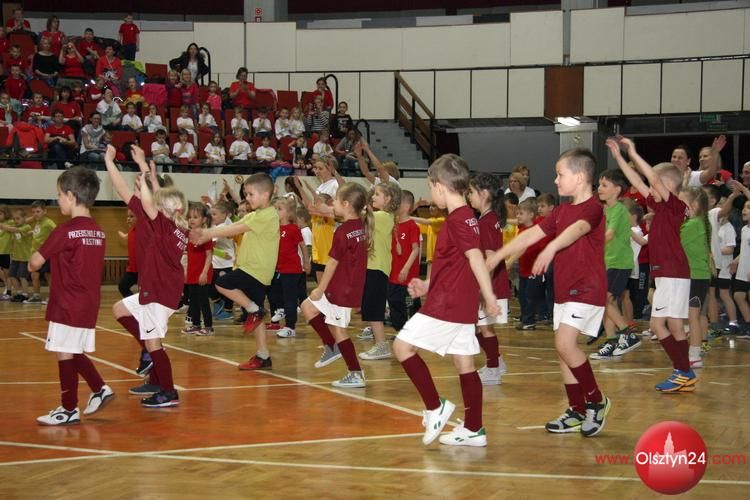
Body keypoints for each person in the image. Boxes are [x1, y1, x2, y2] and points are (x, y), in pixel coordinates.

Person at [489, 148, 611, 437]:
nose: (555, 180)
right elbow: (532, 234)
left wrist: (552, 247)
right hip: (565, 289)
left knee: (565, 344)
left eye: (560, 174)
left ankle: (597, 401)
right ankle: (576, 410)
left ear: (579, 177)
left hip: (587, 287)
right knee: (562, 350)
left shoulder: (593, 207)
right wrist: (498, 257)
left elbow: (578, 229)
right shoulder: (561, 211)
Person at [393, 154, 498, 447]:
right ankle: (474, 428)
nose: (430, 194)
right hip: (458, 300)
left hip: (448, 304)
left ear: (440, 186)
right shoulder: (467, 217)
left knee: (402, 347)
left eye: (430, 187)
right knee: (464, 362)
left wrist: (489, 295)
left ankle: (434, 406)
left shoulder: (459, 219)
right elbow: (456, 264)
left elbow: (475, 258)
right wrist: (428, 284)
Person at [608, 136, 697, 393]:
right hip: (670, 273)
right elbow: (637, 181)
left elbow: (653, 180)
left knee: (658, 325)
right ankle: (684, 372)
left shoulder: (674, 206)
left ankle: (683, 371)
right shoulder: (661, 207)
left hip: (672, 272)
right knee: (675, 325)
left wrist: (634, 152)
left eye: (654, 183)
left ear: (667, 185)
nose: (648, 187)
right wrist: (620, 158)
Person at [105, 144, 189, 407]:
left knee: (155, 345)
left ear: (173, 208)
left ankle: (168, 392)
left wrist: (139, 171)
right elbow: (132, 193)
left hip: (160, 294)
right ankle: (149, 356)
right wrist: (144, 173)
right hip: (158, 289)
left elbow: (147, 201)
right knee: (120, 309)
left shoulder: (166, 226)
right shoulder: (170, 225)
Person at [31, 166, 114, 425]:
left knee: (64, 352)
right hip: (88, 302)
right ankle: (99, 388)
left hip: (66, 302)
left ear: (70, 195)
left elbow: (34, 263)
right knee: (71, 348)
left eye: (59, 195)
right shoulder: (99, 232)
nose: (58, 200)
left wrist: (40, 257)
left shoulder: (64, 231)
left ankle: (68, 409)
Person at [190, 174, 279, 370]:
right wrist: (206, 233)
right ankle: (263, 355)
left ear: (265, 194)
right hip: (251, 269)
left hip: (255, 270)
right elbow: (234, 226)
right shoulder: (255, 214)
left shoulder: (267, 215)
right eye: (246, 194)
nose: (247, 197)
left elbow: (233, 230)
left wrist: (207, 233)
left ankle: (255, 310)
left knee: (222, 283)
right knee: (255, 314)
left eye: (251, 194)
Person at [300, 183, 370, 386]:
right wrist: (322, 209)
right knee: (307, 307)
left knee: (339, 329)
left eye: (336, 200)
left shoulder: (342, 231)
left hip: (342, 289)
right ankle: (331, 347)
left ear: (346, 204)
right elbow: (333, 212)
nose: (333, 204)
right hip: (342, 285)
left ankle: (355, 373)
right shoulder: (360, 226)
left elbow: (332, 262)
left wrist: (320, 288)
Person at [590, 169, 639, 360]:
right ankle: (611, 341)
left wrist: (590, 245)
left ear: (617, 189)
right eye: (599, 185)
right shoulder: (605, 210)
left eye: (605, 185)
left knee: (603, 299)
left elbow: (609, 235)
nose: (600, 188)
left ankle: (627, 333)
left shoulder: (619, 210)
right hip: (607, 262)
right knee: (606, 303)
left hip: (619, 263)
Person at [468, 173, 510, 386]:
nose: (469, 196)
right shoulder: (490, 219)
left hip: (491, 284)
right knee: (479, 327)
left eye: (471, 192)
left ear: (484, 194)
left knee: (483, 328)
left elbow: (491, 258)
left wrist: (486, 290)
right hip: (492, 283)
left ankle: (493, 369)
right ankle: (496, 361)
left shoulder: (486, 222)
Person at [358, 182, 401, 361]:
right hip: (373, 267)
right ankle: (380, 344)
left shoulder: (382, 216)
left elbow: (358, 215)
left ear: (388, 199)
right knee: (370, 306)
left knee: (374, 307)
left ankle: (382, 346)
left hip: (377, 267)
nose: (373, 197)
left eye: (377, 194)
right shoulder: (381, 216)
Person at [678, 187, 712, 368]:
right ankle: (691, 350)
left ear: (695, 205)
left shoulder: (692, 225)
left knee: (693, 316)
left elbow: (674, 242)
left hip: (696, 276)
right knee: (690, 316)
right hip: (693, 276)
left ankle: (695, 355)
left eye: (681, 202)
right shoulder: (695, 223)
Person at [268, 196, 309, 338]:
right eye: (274, 209)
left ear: (289, 213)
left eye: (279, 209)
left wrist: (306, 262)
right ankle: (281, 309)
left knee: (290, 298)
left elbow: (303, 246)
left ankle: (290, 327)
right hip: (278, 268)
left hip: (292, 269)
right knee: (273, 293)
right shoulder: (274, 229)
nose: (276, 211)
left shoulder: (293, 228)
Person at [386, 190, 421, 336]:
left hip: (408, 278)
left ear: (406, 206)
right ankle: (401, 332)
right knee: (394, 303)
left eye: (397, 203)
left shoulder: (412, 226)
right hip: (393, 276)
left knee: (409, 305)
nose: (394, 205)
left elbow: (415, 249)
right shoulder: (393, 224)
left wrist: (405, 268)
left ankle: (411, 334)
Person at [513, 198, 547, 331]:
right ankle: (525, 317)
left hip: (534, 270)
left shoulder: (535, 230)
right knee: (522, 295)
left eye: (521, 214)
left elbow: (524, 248)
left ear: (531, 215)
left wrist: (510, 261)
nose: (518, 216)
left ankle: (529, 321)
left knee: (530, 296)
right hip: (524, 269)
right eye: (517, 213)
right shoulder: (521, 228)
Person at [182, 203, 214, 336]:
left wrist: (204, 273)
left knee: (203, 301)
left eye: (195, 217)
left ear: (204, 219)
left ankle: (208, 327)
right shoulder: (189, 235)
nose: (191, 220)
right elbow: (188, 255)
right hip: (192, 273)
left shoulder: (205, 235)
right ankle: (196, 325)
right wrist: (186, 270)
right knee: (193, 301)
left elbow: (209, 255)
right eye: (190, 217)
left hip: (202, 274)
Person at [23, 201, 56, 304]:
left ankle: (53, 297)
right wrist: (32, 232)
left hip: (46, 254)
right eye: (33, 212)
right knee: (34, 275)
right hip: (36, 254)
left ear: (45, 211)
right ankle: (36, 296)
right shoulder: (38, 222)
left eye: (38, 211)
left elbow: (57, 232)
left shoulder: (48, 222)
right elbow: (40, 233)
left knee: (48, 275)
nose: (35, 214)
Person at [208, 201, 236, 321]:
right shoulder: (220, 224)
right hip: (216, 262)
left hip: (226, 263)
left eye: (214, 214)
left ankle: (228, 310)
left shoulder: (222, 227)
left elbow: (210, 244)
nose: (211, 216)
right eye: (211, 214)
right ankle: (219, 303)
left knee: (228, 287)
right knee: (212, 286)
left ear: (224, 215)